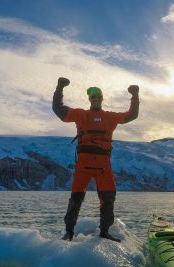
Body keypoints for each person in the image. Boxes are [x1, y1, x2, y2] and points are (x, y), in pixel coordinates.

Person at [52, 77, 139, 242]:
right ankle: (69, 232)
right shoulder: (80, 114)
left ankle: (104, 232)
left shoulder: (110, 117)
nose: (95, 99)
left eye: (98, 96)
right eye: (92, 97)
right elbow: (58, 109)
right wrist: (60, 87)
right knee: (76, 198)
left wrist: (135, 95)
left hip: (103, 166)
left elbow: (132, 115)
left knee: (108, 199)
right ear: (89, 100)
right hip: (84, 165)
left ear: (102, 99)